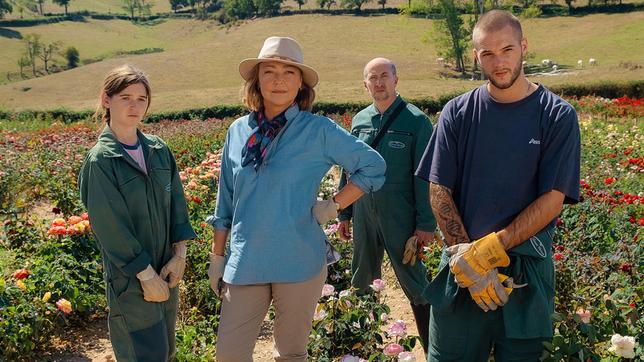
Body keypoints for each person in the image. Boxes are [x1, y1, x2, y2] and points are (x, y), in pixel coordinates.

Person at [206, 36, 386, 362]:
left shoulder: (317, 130)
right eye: (269, 71)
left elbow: (373, 166)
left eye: (289, 72)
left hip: (300, 260)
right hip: (246, 261)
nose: (278, 80)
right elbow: (226, 201)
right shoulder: (237, 131)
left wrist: (333, 205)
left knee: (291, 354)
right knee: (228, 356)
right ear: (256, 81)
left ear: (300, 83)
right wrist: (217, 257)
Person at [415, 10, 580, 361]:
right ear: (477, 57)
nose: (499, 62)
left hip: (525, 273)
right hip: (461, 272)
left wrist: (486, 252)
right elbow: (439, 189)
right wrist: (468, 261)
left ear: (523, 47)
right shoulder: (457, 112)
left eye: (507, 49)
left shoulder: (556, 115)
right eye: (487, 54)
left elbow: (552, 200)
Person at [79, 64, 196, 361]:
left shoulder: (158, 150)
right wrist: (145, 275)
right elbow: (110, 227)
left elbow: (177, 205)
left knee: (166, 350)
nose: (135, 106)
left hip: (166, 269)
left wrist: (179, 254)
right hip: (131, 278)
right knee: (143, 353)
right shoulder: (101, 161)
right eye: (125, 97)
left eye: (141, 99)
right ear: (107, 100)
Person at [337, 57, 436, 353]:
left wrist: (425, 224)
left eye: (384, 76)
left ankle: (435, 349)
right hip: (365, 211)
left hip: (401, 213)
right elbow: (348, 169)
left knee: (415, 282)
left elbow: (425, 177)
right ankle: (364, 349)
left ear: (396, 79)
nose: (379, 83)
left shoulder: (416, 121)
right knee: (362, 279)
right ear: (365, 83)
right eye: (372, 77)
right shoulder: (360, 121)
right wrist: (344, 213)